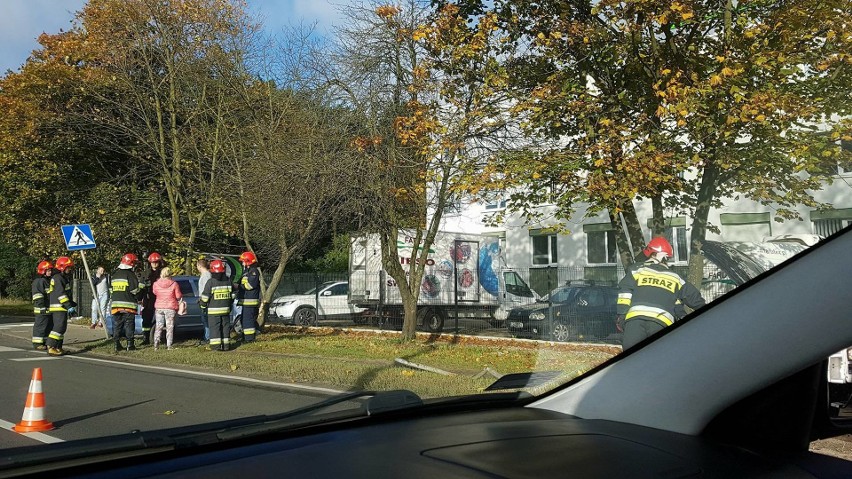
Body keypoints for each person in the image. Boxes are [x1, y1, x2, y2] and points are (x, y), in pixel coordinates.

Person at [617, 237, 706, 351]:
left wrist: (622, 315)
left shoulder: (637, 271)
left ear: (652, 254)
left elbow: (625, 292)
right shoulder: (675, 278)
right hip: (661, 323)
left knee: (630, 362)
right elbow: (693, 300)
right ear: (665, 257)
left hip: (635, 322)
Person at [110, 253, 145, 352]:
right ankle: (130, 345)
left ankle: (116, 345)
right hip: (128, 304)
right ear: (132, 263)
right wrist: (142, 286)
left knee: (117, 325)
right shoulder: (130, 275)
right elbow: (135, 291)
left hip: (116, 305)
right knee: (129, 324)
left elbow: (111, 290)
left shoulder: (115, 275)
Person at [199, 259, 234, 351]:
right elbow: (233, 295)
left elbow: (205, 298)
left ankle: (216, 347)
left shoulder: (211, 282)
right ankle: (226, 346)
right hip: (226, 310)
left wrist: (202, 306)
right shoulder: (228, 281)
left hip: (213, 311)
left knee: (215, 328)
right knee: (225, 327)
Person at [46, 256, 76, 356]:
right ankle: (51, 347)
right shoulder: (58, 278)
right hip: (58, 306)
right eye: (68, 267)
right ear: (62, 267)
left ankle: (58, 347)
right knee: (59, 327)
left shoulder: (62, 278)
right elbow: (61, 294)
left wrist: (71, 304)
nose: (70, 269)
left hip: (61, 307)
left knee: (62, 328)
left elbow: (66, 293)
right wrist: (68, 306)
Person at [152, 267, 182, 350]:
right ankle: (169, 345)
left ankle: (156, 344)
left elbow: (154, 292)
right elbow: (178, 296)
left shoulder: (155, 284)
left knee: (159, 325)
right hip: (170, 307)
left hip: (159, 306)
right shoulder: (174, 284)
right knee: (169, 326)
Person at [140, 251, 165, 345]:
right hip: (148, 299)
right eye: (153, 262)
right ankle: (146, 337)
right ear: (150, 262)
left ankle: (159, 337)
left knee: (160, 319)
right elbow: (141, 287)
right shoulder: (145, 273)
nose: (155, 264)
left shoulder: (162, 273)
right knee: (146, 318)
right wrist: (140, 298)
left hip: (160, 299)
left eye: (156, 262)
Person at [237, 251, 261, 343]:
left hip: (250, 300)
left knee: (248, 321)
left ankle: (249, 338)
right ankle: (245, 336)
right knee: (244, 320)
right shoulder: (247, 270)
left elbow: (250, 286)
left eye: (243, 261)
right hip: (245, 300)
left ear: (248, 261)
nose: (242, 263)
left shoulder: (253, 271)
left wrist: (240, 286)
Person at [31, 260, 53, 350]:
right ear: (43, 271)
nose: (50, 272)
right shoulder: (39, 281)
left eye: (50, 270)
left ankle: (44, 342)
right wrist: (42, 306)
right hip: (41, 308)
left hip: (47, 308)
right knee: (40, 326)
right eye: (48, 271)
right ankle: (37, 343)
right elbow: (38, 296)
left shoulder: (47, 281)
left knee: (47, 326)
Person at [196, 258, 211, 343]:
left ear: (199, 265)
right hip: (203, 300)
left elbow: (206, 290)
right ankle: (207, 336)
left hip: (205, 301)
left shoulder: (206, 276)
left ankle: (207, 337)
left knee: (206, 319)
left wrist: (202, 300)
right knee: (205, 319)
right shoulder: (205, 275)